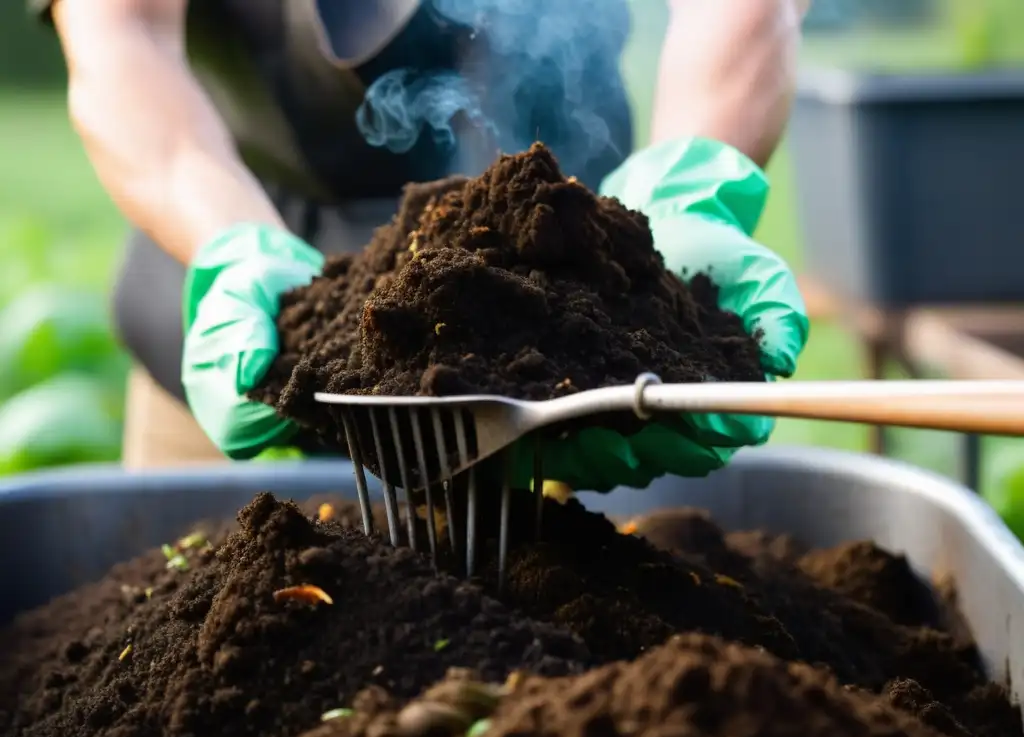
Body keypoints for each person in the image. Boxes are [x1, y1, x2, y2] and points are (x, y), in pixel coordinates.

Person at [39, 0, 811, 487]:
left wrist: (679, 190)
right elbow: (120, 34)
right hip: (243, 296)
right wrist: (233, 239)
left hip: (570, 356)